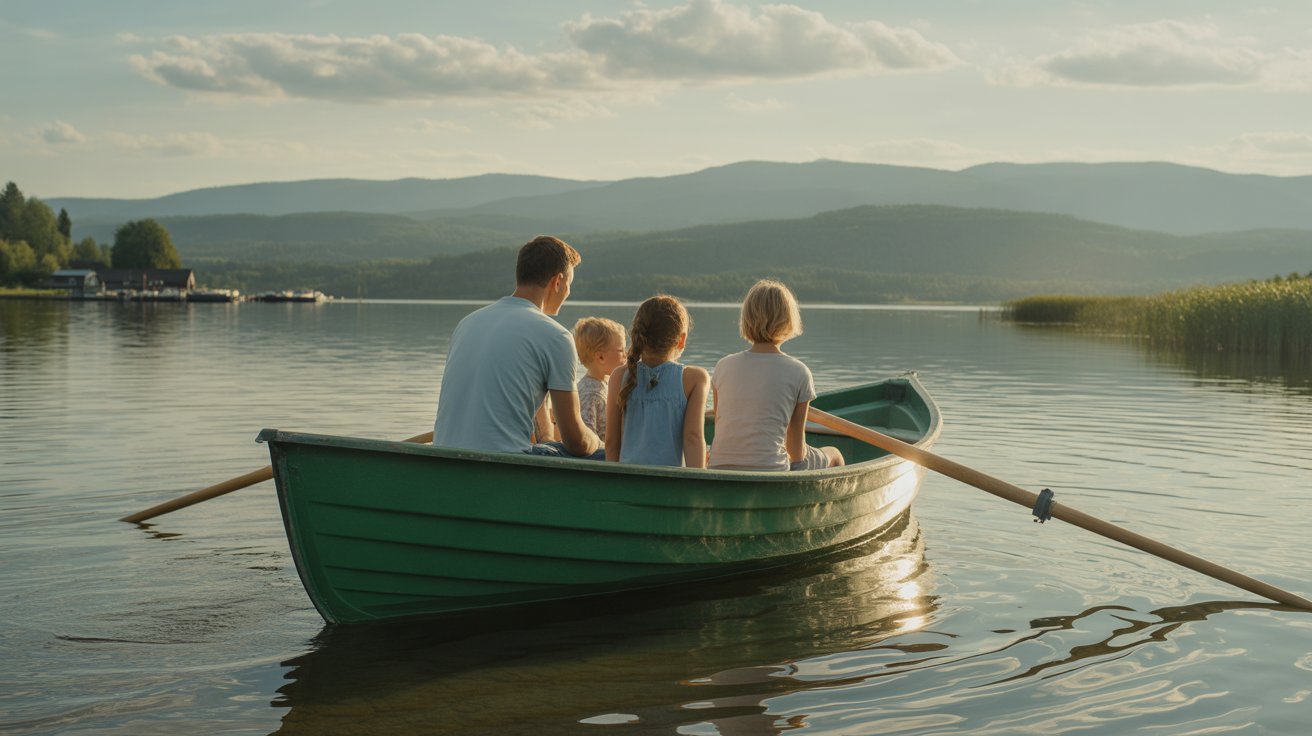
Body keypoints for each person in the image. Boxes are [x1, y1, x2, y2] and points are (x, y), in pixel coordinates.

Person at [432, 235, 603, 459]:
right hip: (504, 465)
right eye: (569, 284)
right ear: (558, 281)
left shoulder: (467, 322)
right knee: (609, 453)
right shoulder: (555, 336)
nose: (568, 293)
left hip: (443, 457)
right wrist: (600, 442)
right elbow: (576, 442)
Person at [708, 279, 844, 472]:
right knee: (835, 454)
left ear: (746, 319)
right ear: (789, 320)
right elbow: (796, 452)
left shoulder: (723, 366)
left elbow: (720, 426)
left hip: (718, 467)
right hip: (771, 470)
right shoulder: (799, 372)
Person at [605, 295, 709, 467]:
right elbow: (693, 438)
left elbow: (610, 442)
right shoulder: (694, 379)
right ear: (681, 340)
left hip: (628, 484)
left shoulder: (619, 376)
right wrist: (696, 491)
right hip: (671, 487)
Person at [572, 317, 627, 442]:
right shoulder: (590, 394)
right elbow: (586, 437)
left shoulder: (604, 383)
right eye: (621, 350)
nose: (626, 354)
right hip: (600, 457)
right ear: (601, 357)